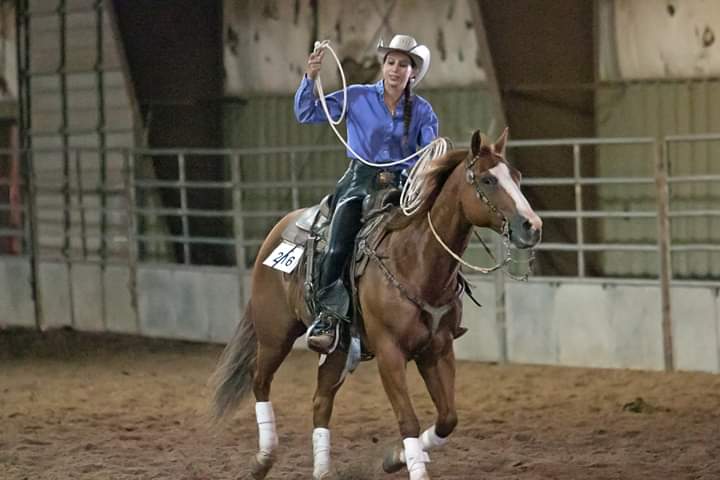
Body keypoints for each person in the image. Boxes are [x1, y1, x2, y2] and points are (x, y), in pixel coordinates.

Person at [294, 34, 439, 354]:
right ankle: (328, 315)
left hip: (404, 185)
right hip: (360, 181)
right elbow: (307, 113)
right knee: (338, 242)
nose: (396, 69)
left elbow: (429, 153)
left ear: (413, 73)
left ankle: (438, 306)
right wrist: (311, 78)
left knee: (436, 232)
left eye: (403, 65)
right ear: (383, 66)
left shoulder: (423, 111)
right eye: (391, 62)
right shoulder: (357, 96)